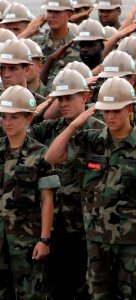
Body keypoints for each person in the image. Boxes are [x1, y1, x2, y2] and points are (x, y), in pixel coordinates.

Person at [45, 77, 136, 299]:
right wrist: (73, 125)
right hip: (96, 236)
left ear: (129, 109)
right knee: (97, 294)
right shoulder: (91, 140)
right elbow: (52, 156)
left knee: (130, 294)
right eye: (105, 111)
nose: (109, 117)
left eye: (115, 111)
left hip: (132, 238)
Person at [31, 69, 105, 300]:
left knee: (86, 288)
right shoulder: (50, 129)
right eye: (59, 99)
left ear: (85, 97)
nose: (63, 104)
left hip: (87, 225)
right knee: (56, 287)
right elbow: (19, 131)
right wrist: (46, 105)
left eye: (69, 98)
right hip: (55, 225)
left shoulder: (99, 130)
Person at [0, 85, 60, 299]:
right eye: (4, 117)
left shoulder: (41, 154)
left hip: (26, 241)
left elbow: (47, 200)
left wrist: (44, 239)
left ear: (28, 118)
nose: (7, 123)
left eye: (14, 117)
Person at [33, 0, 81, 86]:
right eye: (49, 11)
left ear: (69, 15)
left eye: (57, 12)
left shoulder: (80, 45)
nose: (52, 16)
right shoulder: (35, 43)